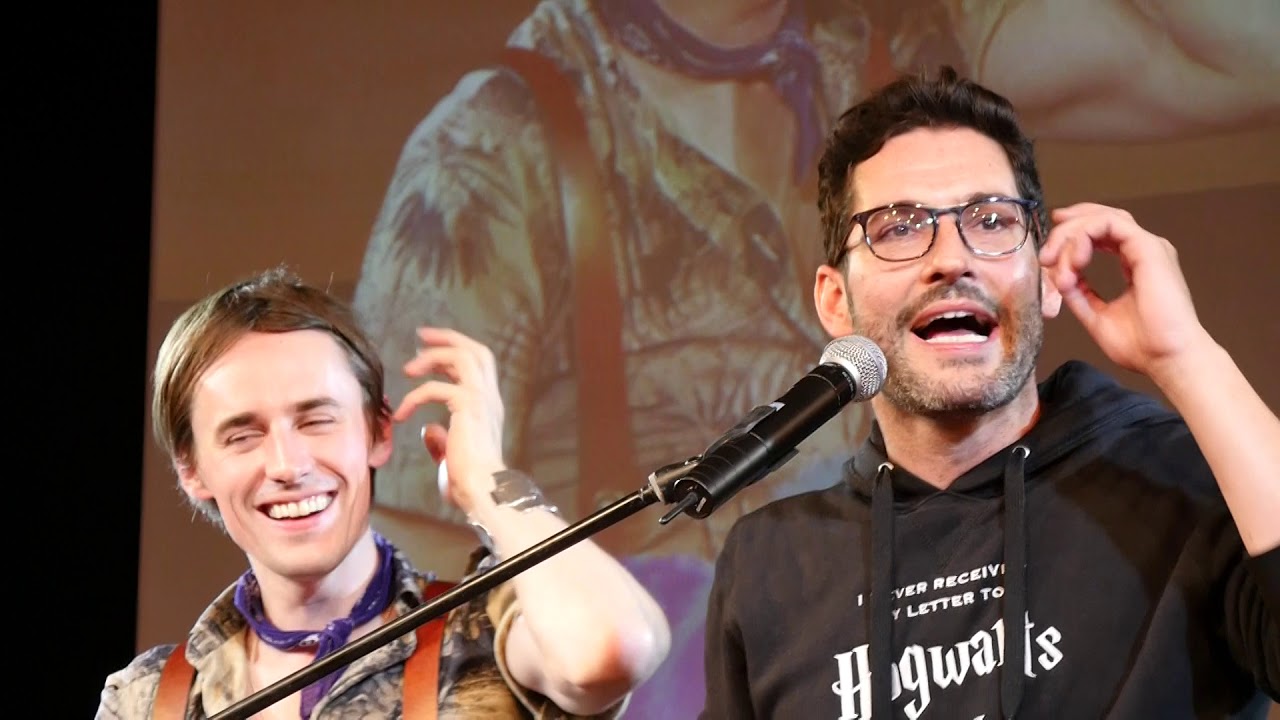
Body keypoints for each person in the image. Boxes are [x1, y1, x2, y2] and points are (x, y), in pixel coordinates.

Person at [701, 66, 1280, 719]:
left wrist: (1185, 355)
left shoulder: (1186, 480)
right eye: (899, 227)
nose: (952, 258)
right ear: (836, 301)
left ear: (1045, 275)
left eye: (992, 220)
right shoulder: (771, 562)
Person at [96, 267, 670, 719]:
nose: (288, 464)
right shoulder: (147, 700)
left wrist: (490, 484)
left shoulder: (483, 635)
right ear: (192, 470)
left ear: (377, 432)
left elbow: (612, 650)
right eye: (243, 435)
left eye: (317, 420)